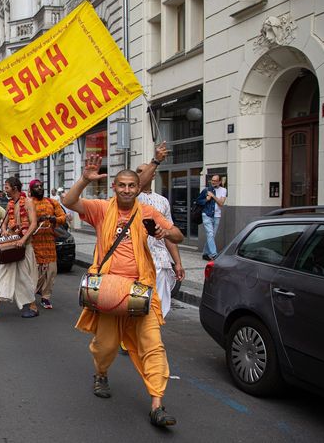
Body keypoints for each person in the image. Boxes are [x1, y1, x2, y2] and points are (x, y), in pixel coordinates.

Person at [62, 155, 184, 428]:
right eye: (122, 185)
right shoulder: (102, 209)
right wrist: (84, 179)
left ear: (138, 188)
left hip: (141, 291)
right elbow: (68, 203)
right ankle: (101, 373)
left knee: (153, 345)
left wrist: (165, 235)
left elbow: (179, 235)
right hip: (108, 291)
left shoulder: (149, 213)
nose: (127, 190)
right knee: (105, 346)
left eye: (132, 185)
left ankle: (157, 403)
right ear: (114, 188)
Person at [0, 177, 39, 319]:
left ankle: (33, 307)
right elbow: (4, 223)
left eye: (6, 187)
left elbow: (34, 223)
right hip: (11, 246)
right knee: (2, 275)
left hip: (23, 247)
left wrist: (23, 239)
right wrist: (4, 230)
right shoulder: (10, 204)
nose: (5, 189)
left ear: (15, 188)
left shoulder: (28, 202)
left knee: (23, 278)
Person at [135, 163, 185, 318]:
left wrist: (177, 263)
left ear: (153, 174)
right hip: (137, 263)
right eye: (139, 171)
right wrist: (155, 161)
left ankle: (151, 339)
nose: (142, 174)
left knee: (158, 309)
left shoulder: (163, 201)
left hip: (160, 262)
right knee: (136, 308)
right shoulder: (131, 198)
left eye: (146, 171)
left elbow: (170, 235)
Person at [29, 179, 67, 309]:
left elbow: (63, 217)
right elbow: (23, 220)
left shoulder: (52, 202)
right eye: (36, 187)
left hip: (49, 242)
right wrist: (37, 220)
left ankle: (46, 297)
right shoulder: (28, 203)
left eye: (41, 186)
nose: (39, 188)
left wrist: (53, 219)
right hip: (33, 242)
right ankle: (32, 294)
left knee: (51, 271)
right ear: (31, 189)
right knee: (36, 272)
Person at [196, 174, 227, 260]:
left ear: (220, 182)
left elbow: (221, 203)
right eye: (212, 180)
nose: (213, 182)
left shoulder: (223, 190)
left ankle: (205, 253)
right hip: (207, 214)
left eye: (215, 181)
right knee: (210, 234)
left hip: (217, 216)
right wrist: (206, 199)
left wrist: (213, 196)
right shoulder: (206, 190)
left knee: (212, 236)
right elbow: (198, 201)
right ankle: (214, 254)